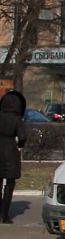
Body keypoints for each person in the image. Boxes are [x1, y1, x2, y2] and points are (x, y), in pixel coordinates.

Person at [0, 90, 29, 224]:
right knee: (9, 184)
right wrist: (19, 144)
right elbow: (22, 136)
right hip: (11, 151)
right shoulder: (16, 119)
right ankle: (4, 215)